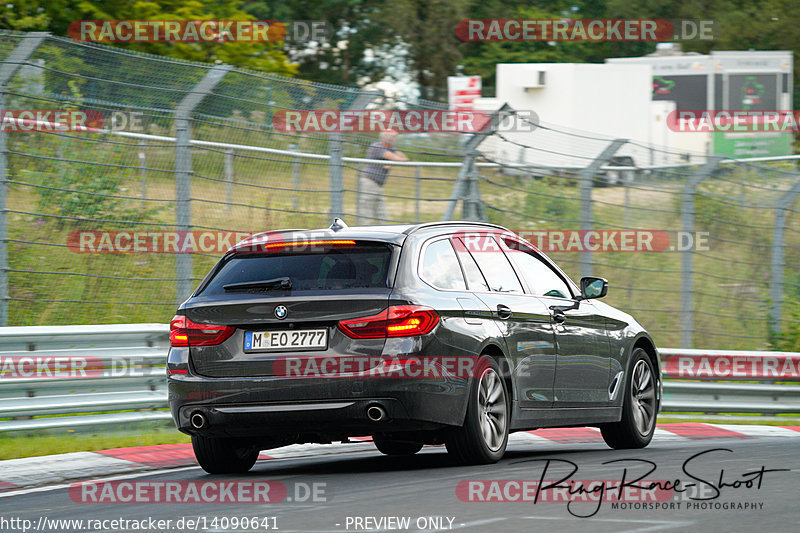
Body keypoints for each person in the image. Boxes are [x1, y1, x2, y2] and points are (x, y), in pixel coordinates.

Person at [359, 129, 408, 224]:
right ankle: (362, 232)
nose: (395, 140)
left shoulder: (391, 149)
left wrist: (391, 162)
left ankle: (384, 231)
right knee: (366, 209)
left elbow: (404, 158)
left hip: (378, 184)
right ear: (387, 139)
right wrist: (393, 160)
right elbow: (396, 158)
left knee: (381, 211)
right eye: (394, 138)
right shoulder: (377, 147)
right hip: (370, 182)